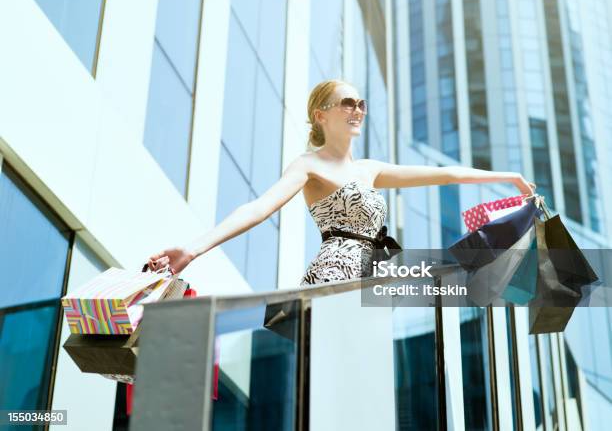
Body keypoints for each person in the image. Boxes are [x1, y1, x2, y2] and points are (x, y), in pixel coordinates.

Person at [147, 79, 536, 286]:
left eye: (361, 104)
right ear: (321, 115)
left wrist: (509, 177)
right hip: (336, 272)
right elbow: (258, 208)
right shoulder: (308, 165)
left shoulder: (370, 169)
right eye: (347, 103)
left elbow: (447, 175)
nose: (358, 109)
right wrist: (192, 250)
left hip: (374, 272)